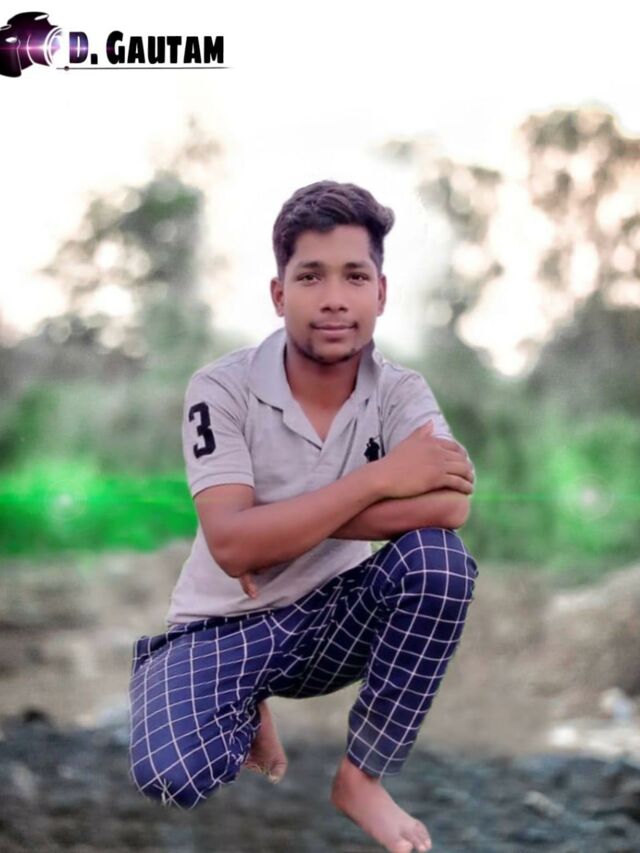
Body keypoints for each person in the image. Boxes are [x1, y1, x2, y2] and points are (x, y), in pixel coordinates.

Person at [127, 179, 479, 853]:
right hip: (223, 625)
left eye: (355, 276)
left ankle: (362, 778)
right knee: (173, 776)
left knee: (440, 562)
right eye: (311, 276)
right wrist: (380, 479)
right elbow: (232, 546)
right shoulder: (221, 387)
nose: (334, 298)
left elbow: (450, 503)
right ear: (279, 293)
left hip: (335, 616)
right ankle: (237, 703)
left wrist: (272, 525)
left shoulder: (401, 392)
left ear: (381, 292)